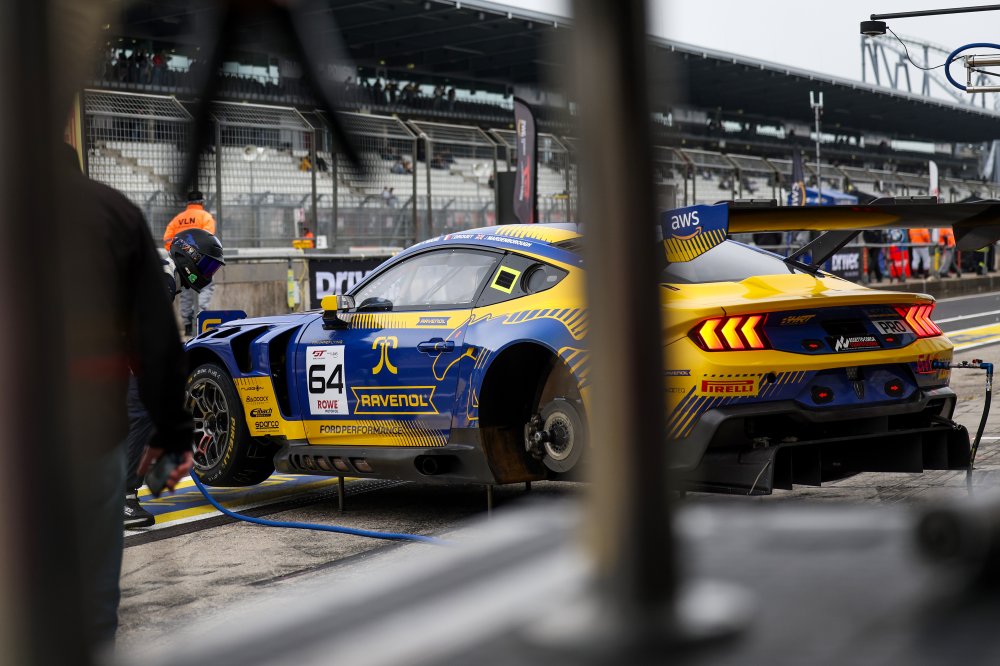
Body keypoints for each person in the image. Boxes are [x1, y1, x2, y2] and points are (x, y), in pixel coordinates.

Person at [57, 143, 193, 650]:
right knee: (94, 601)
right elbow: (157, 343)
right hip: (92, 427)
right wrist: (174, 430)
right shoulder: (114, 213)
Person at [125, 229, 225, 528]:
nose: (207, 273)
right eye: (207, 265)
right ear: (188, 255)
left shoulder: (161, 269)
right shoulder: (164, 276)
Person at [163, 191, 217, 335]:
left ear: (188, 203)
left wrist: (178, 252)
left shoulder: (178, 219)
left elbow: (167, 239)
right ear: (202, 202)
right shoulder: (205, 217)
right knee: (206, 285)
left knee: (185, 289)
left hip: (180, 260)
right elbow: (208, 240)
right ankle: (197, 315)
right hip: (199, 260)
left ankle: (187, 324)